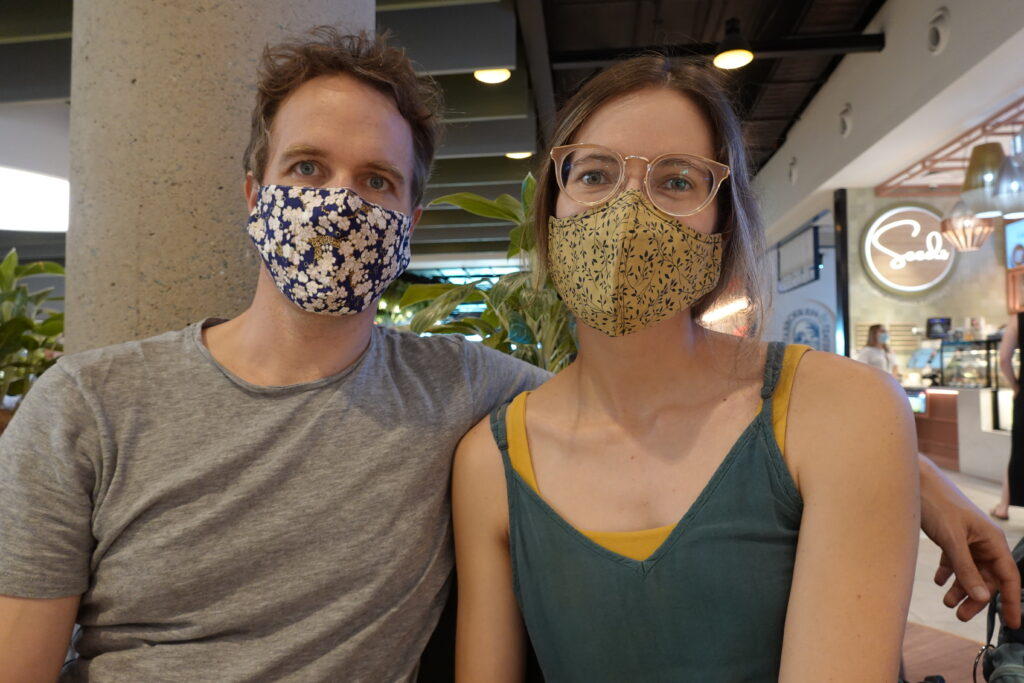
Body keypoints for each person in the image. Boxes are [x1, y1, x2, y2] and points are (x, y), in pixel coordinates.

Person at [0, 28, 1017, 683]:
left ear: (410, 217)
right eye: (307, 168)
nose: (339, 203)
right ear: (251, 188)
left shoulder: (453, 395)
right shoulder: (89, 404)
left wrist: (901, 465)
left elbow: (660, 401)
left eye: (377, 181)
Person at [450, 56, 1005, 681]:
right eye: (596, 173)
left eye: (678, 181)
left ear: (724, 223)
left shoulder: (840, 408)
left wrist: (908, 467)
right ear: (554, 209)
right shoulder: (491, 463)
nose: (628, 213)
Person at [991, 314, 1022, 520]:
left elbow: (1004, 359)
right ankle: (1003, 504)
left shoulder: (1018, 320)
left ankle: (1003, 506)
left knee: (1019, 449)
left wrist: (1015, 386)